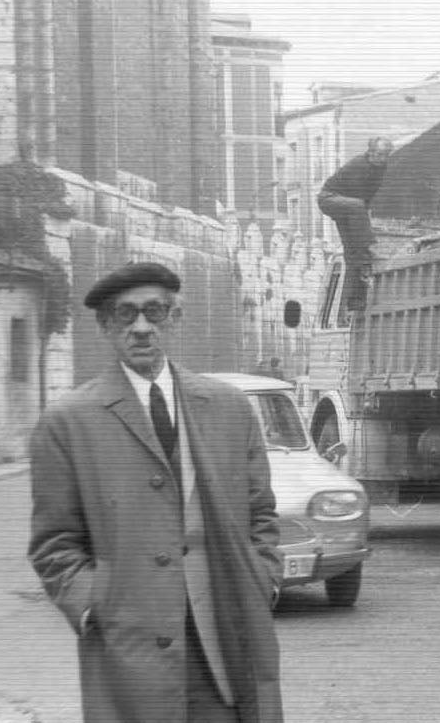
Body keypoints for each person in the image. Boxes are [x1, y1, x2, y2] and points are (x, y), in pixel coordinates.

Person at [28, 262, 283, 722]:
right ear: (107, 326)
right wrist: (94, 605)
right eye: (126, 315)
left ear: (175, 319)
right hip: (129, 646)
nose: (142, 328)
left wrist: (263, 579)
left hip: (224, 637)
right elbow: (53, 544)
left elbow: (262, 513)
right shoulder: (67, 422)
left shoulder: (230, 408)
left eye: (154, 312)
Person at [317, 136, 393, 310]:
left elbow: (368, 197)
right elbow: (359, 198)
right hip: (329, 199)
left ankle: (354, 300)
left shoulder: (380, 168)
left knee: (351, 254)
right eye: (379, 154)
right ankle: (367, 249)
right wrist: (367, 239)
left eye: (386, 155)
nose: (382, 159)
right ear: (370, 152)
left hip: (349, 207)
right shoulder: (360, 164)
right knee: (357, 208)